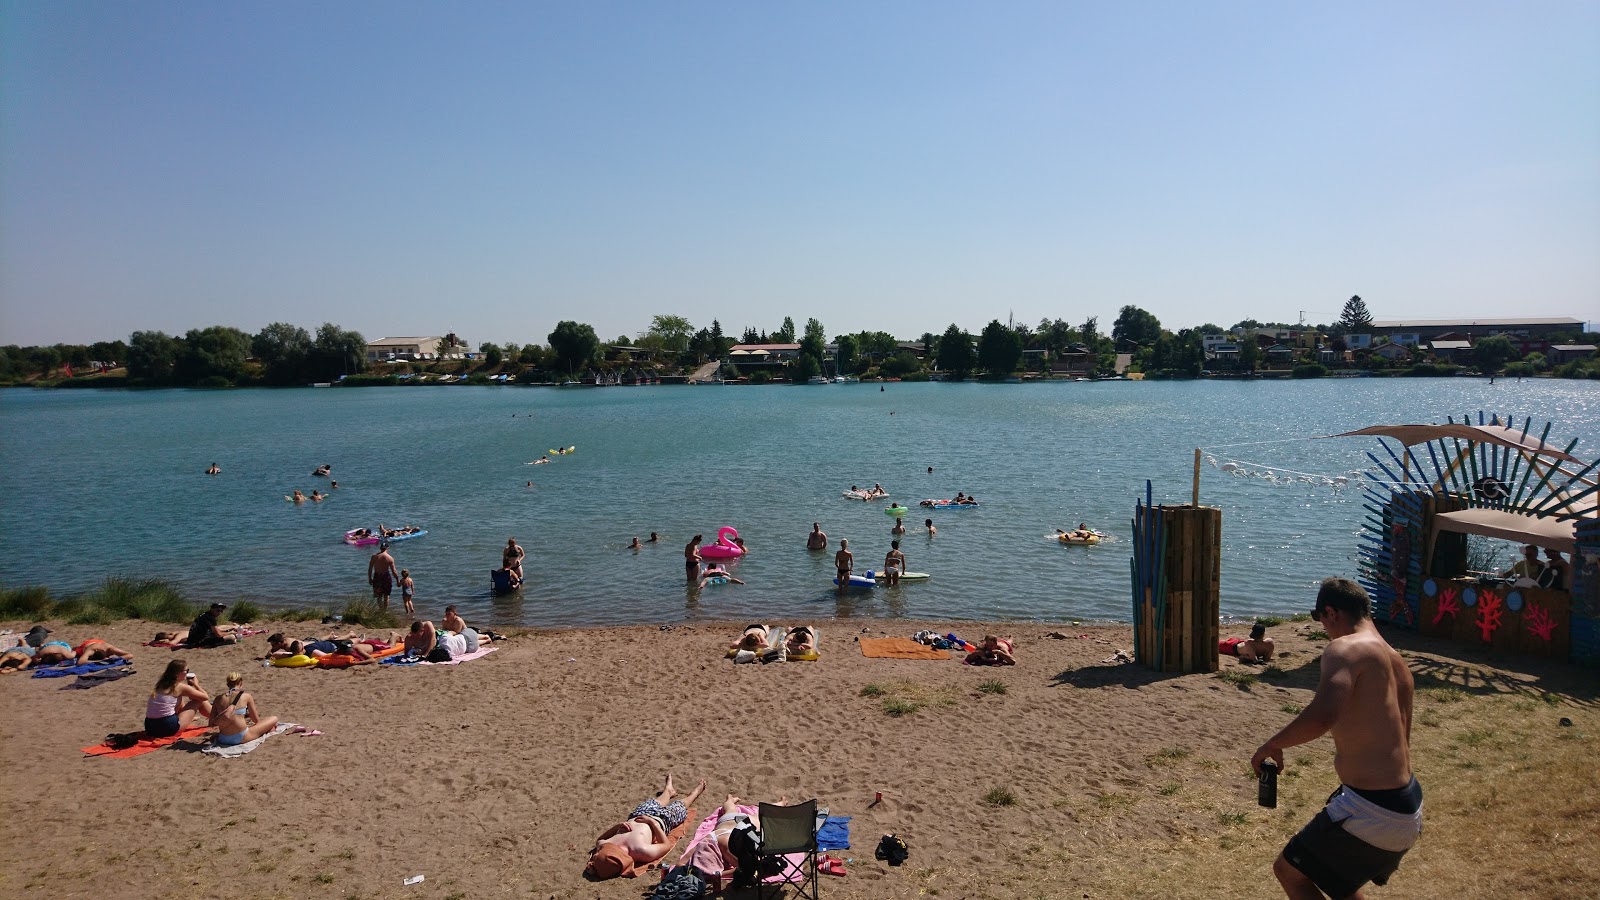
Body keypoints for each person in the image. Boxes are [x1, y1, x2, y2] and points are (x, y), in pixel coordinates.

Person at [1251, 577, 1422, 900]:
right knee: (1339, 882)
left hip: (1373, 808)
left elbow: (1323, 715)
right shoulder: (1396, 661)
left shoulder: (1345, 648)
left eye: (1320, 620)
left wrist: (1273, 744)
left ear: (1330, 612)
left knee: (1290, 872)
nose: (1325, 631)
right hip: (1406, 803)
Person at [585, 775, 707, 880]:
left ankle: (668, 791)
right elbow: (666, 845)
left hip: (639, 814)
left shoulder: (606, 844)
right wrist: (652, 823)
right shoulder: (641, 851)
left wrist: (616, 827)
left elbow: (599, 840)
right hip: (661, 821)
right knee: (680, 805)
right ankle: (694, 793)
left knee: (659, 800)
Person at [208, 672, 280, 747]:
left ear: (227, 684)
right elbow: (256, 720)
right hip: (241, 737)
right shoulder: (246, 696)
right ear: (240, 682)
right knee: (274, 718)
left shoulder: (218, 699)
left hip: (223, 738)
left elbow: (211, 724)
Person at [144, 659, 211, 738]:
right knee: (199, 700)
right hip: (167, 727)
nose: (187, 673)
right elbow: (205, 697)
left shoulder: (162, 684)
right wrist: (196, 684)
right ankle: (216, 717)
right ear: (177, 673)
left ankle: (187, 718)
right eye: (186, 671)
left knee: (178, 698)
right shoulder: (180, 687)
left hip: (150, 727)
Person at [369, 542, 399, 610]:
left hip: (377, 576)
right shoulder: (390, 558)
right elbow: (394, 571)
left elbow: (370, 568)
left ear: (380, 548)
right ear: (387, 548)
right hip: (386, 577)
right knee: (386, 595)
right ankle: (384, 611)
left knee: (379, 596)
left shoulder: (374, 557)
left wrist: (370, 578)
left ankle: (380, 609)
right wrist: (397, 580)